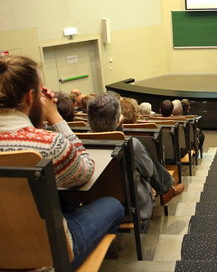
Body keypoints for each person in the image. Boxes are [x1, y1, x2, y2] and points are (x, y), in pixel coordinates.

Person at [0, 55, 124, 270]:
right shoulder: (50, 144)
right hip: (51, 256)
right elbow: (85, 171)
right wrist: (54, 117)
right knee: (113, 205)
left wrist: (35, 117)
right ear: (31, 97)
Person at [88, 93, 184, 213]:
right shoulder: (131, 144)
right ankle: (167, 190)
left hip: (92, 206)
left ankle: (167, 190)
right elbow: (149, 171)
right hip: (133, 206)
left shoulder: (79, 145)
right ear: (118, 120)